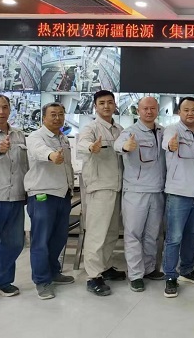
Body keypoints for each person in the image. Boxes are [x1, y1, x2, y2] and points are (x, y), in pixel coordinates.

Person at [114, 96, 166, 293]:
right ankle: (135, 275)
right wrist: (125, 146)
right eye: (145, 108)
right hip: (136, 191)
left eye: (153, 108)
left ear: (157, 110)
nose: (149, 112)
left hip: (157, 190)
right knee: (134, 234)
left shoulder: (162, 131)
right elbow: (118, 145)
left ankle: (149, 268)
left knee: (152, 234)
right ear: (138, 111)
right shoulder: (130, 132)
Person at [162, 97, 194, 298]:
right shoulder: (171, 131)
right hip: (178, 193)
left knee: (192, 235)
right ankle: (170, 276)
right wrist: (171, 145)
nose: (190, 113)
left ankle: (187, 270)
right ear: (179, 112)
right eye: (186, 110)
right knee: (174, 237)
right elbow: (167, 144)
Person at [25, 103, 75, 300]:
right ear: (43, 118)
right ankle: (42, 281)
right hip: (42, 194)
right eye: (53, 114)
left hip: (63, 194)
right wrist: (52, 155)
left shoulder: (63, 138)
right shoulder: (35, 137)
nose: (57, 118)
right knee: (41, 240)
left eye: (61, 114)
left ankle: (53, 272)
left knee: (59, 238)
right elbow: (40, 151)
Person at [77, 90, 125, 296]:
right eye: (102, 103)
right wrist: (91, 147)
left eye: (110, 102)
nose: (106, 106)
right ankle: (93, 276)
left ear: (115, 105)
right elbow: (82, 144)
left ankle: (104, 267)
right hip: (99, 187)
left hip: (116, 186)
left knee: (112, 232)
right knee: (97, 233)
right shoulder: (91, 128)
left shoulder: (119, 129)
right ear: (95, 106)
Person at [0, 95, 29, 308]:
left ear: (10, 109)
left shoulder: (19, 134)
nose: (1, 111)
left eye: (4, 107)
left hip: (16, 197)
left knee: (15, 243)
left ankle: (2, 281)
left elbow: (25, 165)